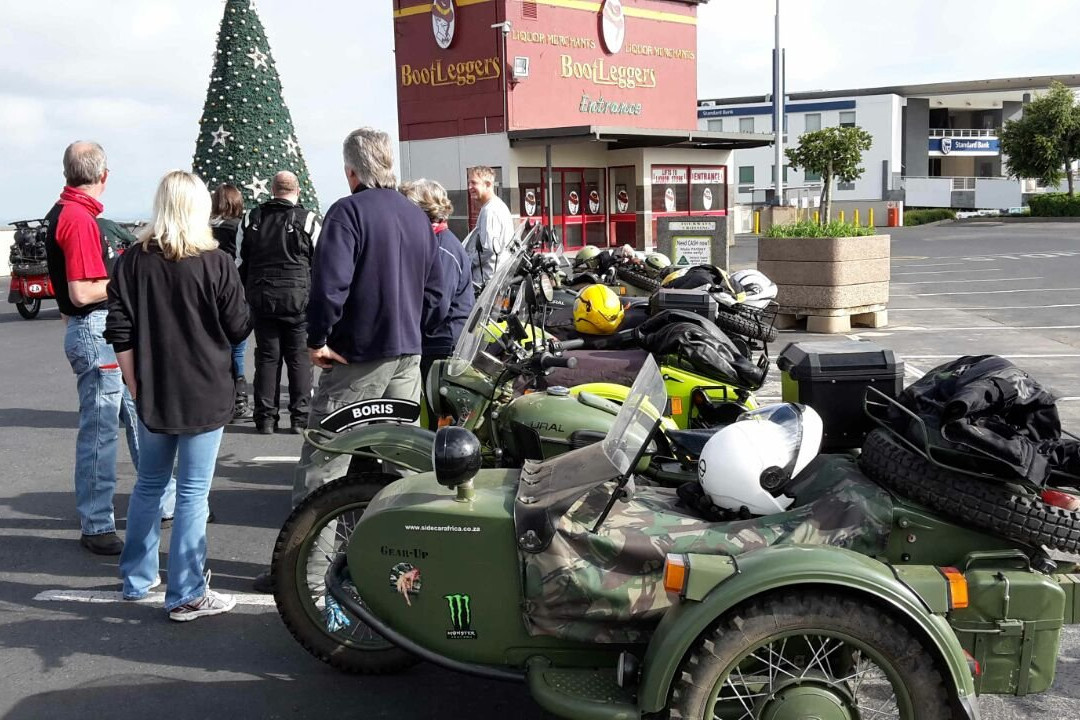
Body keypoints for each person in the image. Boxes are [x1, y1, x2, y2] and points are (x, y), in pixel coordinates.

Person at [252, 127, 448, 592]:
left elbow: (329, 286)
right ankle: (405, 569)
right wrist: (412, 328)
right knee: (400, 465)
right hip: (406, 355)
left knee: (325, 464)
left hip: (357, 356)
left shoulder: (348, 212)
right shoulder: (415, 216)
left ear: (352, 172)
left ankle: (305, 577)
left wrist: (317, 339)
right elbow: (436, 292)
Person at [105, 170, 251, 621]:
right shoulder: (216, 262)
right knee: (192, 492)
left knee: (149, 484)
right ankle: (186, 592)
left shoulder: (132, 261)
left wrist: (133, 382)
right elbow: (239, 326)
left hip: (153, 388)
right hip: (205, 388)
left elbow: (120, 328)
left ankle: (137, 578)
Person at [44, 141, 140, 555]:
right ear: (104, 175)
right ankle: (97, 522)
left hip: (94, 328)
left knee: (136, 414)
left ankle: (164, 499)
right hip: (97, 328)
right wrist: (129, 280)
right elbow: (82, 292)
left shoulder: (63, 212)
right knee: (103, 429)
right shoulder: (79, 218)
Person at [237, 172, 321, 434]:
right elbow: (322, 261)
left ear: (272, 190)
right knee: (298, 358)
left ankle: (265, 419)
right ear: (297, 191)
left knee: (267, 357)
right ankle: (299, 418)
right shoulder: (308, 220)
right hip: (298, 300)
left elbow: (240, 261)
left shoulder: (251, 219)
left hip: (262, 299)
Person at [399, 178, 474, 387]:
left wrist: (404, 328)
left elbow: (436, 305)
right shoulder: (434, 242)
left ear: (420, 213)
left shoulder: (443, 249)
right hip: (435, 340)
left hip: (441, 344)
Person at [210, 183, 250, 421]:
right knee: (237, 347)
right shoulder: (239, 227)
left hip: (208, 292)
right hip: (236, 291)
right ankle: (239, 400)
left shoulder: (205, 228)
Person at [464, 165, 514, 287]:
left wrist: (467, 264)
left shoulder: (490, 211)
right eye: (469, 183)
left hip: (487, 282)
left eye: (474, 183)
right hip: (496, 277)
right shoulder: (496, 205)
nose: (469, 187)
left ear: (487, 184)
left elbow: (488, 249)